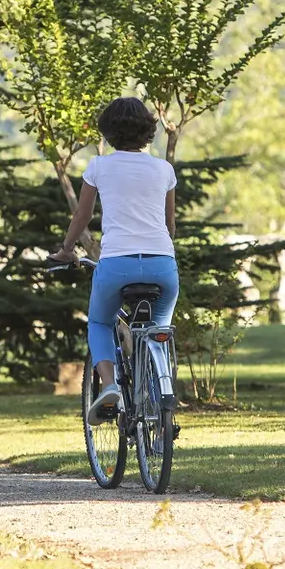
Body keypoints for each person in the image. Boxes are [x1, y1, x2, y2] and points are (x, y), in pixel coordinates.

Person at [49, 98, 177, 424]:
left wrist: (66, 249)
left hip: (117, 264)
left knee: (100, 323)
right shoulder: (164, 169)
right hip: (163, 264)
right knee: (157, 331)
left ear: (108, 131)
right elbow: (169, 226)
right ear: (148, 130)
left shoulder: (99, 166)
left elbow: (83, 215)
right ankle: (157, 401)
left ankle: (109, 387)